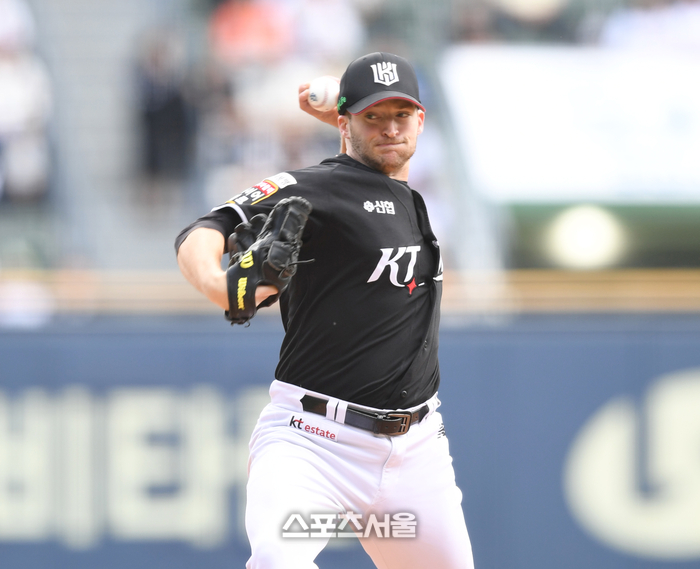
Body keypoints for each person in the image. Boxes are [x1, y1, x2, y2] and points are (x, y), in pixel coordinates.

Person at [175, 52, 475, 569]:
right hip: (314, 444)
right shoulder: (315, 188)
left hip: (417, 451)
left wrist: (354, 109)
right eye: (373, 117)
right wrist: (219, 287)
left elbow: (380, 146)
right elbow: (205, 228)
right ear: (345, 124)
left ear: (421, 120)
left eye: (401, 115)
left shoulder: (407, 189)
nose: (390, 128)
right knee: (278, 560)